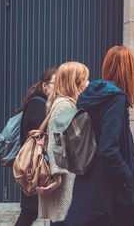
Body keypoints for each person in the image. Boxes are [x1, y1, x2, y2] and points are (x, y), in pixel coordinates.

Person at [64, 46, 134, 226]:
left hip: (92, 179)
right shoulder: (116, 98)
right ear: (129, 70)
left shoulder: (92, 94)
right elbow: (109, 147)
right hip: (111, 186)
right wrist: (128, 177)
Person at [37, 62, 90, 226]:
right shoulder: (64, 105)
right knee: (64, 219)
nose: (88, 83)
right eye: (84, 79)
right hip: (65, 180)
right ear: (73, 81)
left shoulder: (62, 102)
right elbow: (56, 141)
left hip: (67, 175)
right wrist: (57, 177)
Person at [15, 68, 57, 226]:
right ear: (45, 86)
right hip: (34, 167)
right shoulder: (38, 105)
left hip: (36, 166)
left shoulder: (40, 102)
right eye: (56, 84)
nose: (59, 87)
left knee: (30, 212)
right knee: (29, 212)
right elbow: (38, 137)